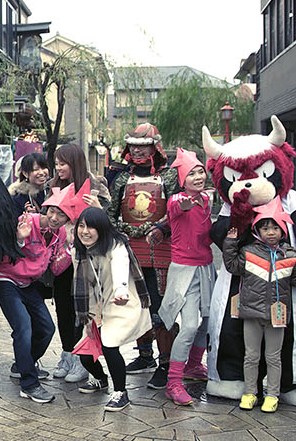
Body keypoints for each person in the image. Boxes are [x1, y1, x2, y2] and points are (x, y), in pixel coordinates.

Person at [107, 123, 182, 389]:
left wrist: (159, 228)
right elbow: (110, 213)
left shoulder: (170, 177)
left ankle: (166, 364)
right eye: (134, 146)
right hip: (131, 251)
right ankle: (145, 356)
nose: (138, 151)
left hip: (161, 249)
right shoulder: (120, 177)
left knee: (162, 310)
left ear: (154, 147)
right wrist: (123, 232)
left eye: (143, 146)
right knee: (139, 308)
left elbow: (176, 212)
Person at [223, 199, 296, 412]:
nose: (270, 232)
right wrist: (230, 242)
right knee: (251, 356)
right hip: (251, 314)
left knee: (274, 357)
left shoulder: (291, 255)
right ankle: (250, 392)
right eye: (265, 228)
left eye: (275, 228)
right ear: (257, 230)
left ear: (283, 230)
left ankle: (272, 394)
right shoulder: (248, 252)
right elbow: (232, 266)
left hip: (277, 317)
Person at [71, 206, 152, 411]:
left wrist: (120, 290)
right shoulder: (79, 253)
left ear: (102, 228)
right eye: (81, 226)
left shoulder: (116, 245)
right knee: (85, 352)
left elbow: (120, 266)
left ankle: (120, 393)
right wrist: (88, 319)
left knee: (109, 344)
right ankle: (100, 379)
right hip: (99, 307)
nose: (85, 231)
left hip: (123, 303)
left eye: (91, 227)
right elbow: (85, 287)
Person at [156, 149, 214, 406]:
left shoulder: (208, 201)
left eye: (201, 171)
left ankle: (192, 366)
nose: (198, 176)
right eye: (192, 173)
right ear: (182, 179)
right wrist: (185, 204)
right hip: (185, 271)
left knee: (208, 322)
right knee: (189, 325)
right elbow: (177, 208)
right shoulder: (176, 200)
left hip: (207, 268)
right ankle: (174, 382)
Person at [48, 143, 107, 383]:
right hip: (61, 258)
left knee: (82, 310)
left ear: (75, 163)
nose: (58, 167)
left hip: (85, 259)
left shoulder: (96, 187)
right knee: (63, 308)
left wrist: (96, 209)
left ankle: (83, 359)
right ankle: (67, 355)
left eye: (63, 163)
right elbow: (50, 221)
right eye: (56, 162)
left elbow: (107, 222)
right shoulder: (53, 187)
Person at [0, 205, 59, 403]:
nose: (54, 218)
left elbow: (57, 263)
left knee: (47, 328)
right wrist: (19, 238)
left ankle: (22, 364)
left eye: (61, 215)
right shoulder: (27, 221)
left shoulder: (60, 234)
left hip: (27, 282)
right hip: (4, 277)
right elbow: (2, 247)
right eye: (52, 211)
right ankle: (29, 384)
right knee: (23, 326)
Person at [8, 151, 51, 216]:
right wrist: (27, 216)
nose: (41, 172)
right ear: (25, 173)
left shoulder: (53, 189)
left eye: (44, 168)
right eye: (36, 169)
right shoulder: (18, 197)